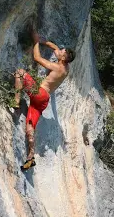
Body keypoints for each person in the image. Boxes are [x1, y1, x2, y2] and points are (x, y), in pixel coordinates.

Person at [14, 26, 75, 171]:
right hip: (43, 101)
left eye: (62, 51)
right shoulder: (66, 68)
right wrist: (45, 41)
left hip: (39, 93)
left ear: (64, 58)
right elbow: (55, 48)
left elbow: (37, 58)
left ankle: (15, 102)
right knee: (30, 127)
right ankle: (31, 156)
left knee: (20, 73)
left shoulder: (56, 67)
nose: (59, 51)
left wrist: (36, 42)